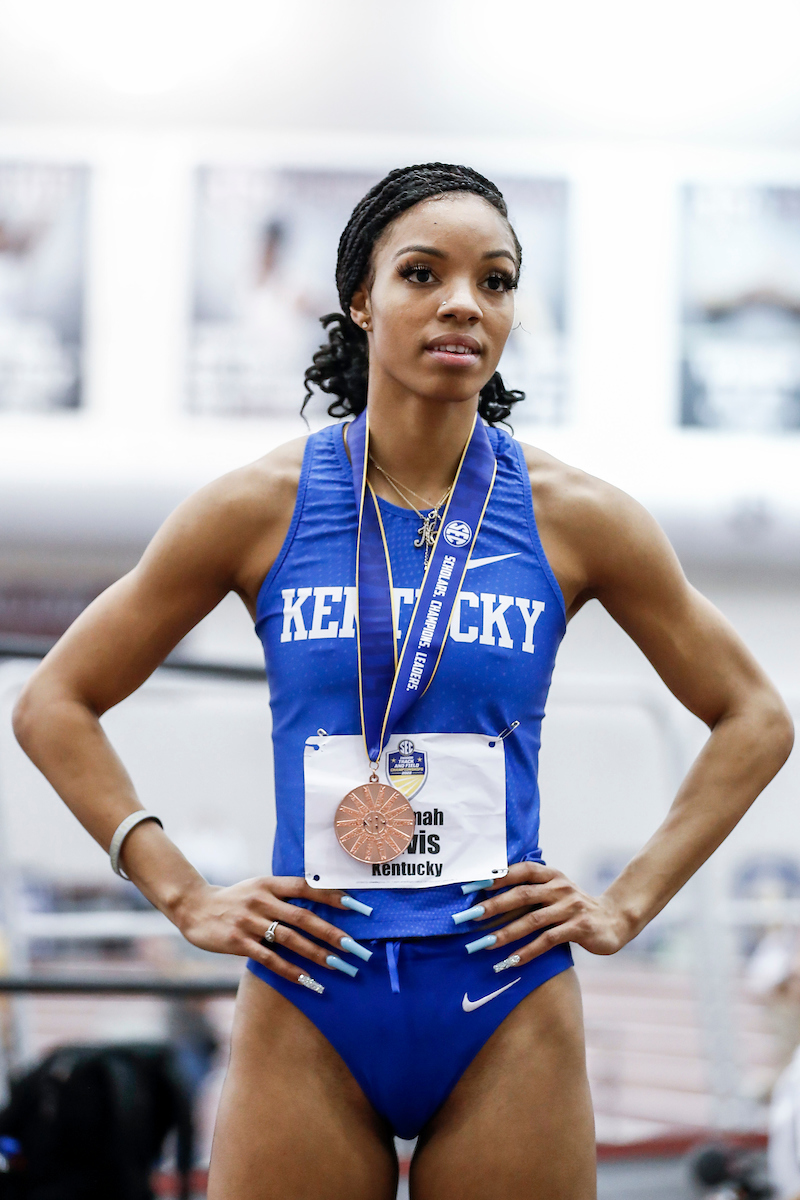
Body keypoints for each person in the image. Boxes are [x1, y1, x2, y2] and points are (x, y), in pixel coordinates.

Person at [12, 163, 793, 1200]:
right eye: (421, 273)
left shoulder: (577, 517)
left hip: (502, 990)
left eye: (496, 280)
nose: (463, 302)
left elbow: (753, 716)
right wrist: (180, 891)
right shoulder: (256, 507)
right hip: (312, 988)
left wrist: (624, 904)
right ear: (359, 298)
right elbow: (52, 702)